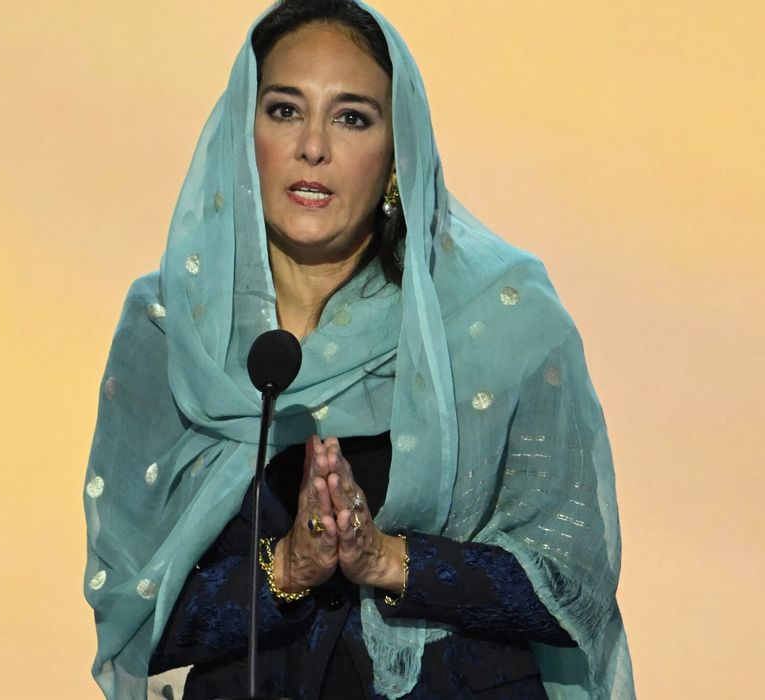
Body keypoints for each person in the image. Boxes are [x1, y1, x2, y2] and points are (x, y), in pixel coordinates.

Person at [82, 1, 634, 698]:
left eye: (351, 117)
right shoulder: (170, 327)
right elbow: (136, 618)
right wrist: (285, 567)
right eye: (284, 110)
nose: (313, 146)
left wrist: (388, 559)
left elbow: (569, 587)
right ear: (239, 134)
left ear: (399, 150)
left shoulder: (497, 321)